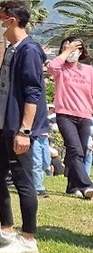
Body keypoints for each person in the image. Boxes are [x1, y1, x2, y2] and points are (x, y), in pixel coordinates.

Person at [0, 0, 48, 253]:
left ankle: (28, 240)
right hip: (4, 127)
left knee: (23, 181)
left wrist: (25, 131)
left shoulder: (29, 50)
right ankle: (6, 231)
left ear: (11, 20)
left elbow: (33, 93)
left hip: (20, 129)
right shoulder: (11, 49)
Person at [47, 36, 93, 199]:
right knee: (75, 150)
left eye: (76, 49)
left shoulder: (89, 71)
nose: (73, 51)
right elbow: (52, 65)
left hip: (85, 115)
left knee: (80, 153)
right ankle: (86, 185)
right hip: (65, 115)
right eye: (68, 48)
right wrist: (67, 51)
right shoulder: (61, 69)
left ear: (82, 51)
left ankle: (72, 185)